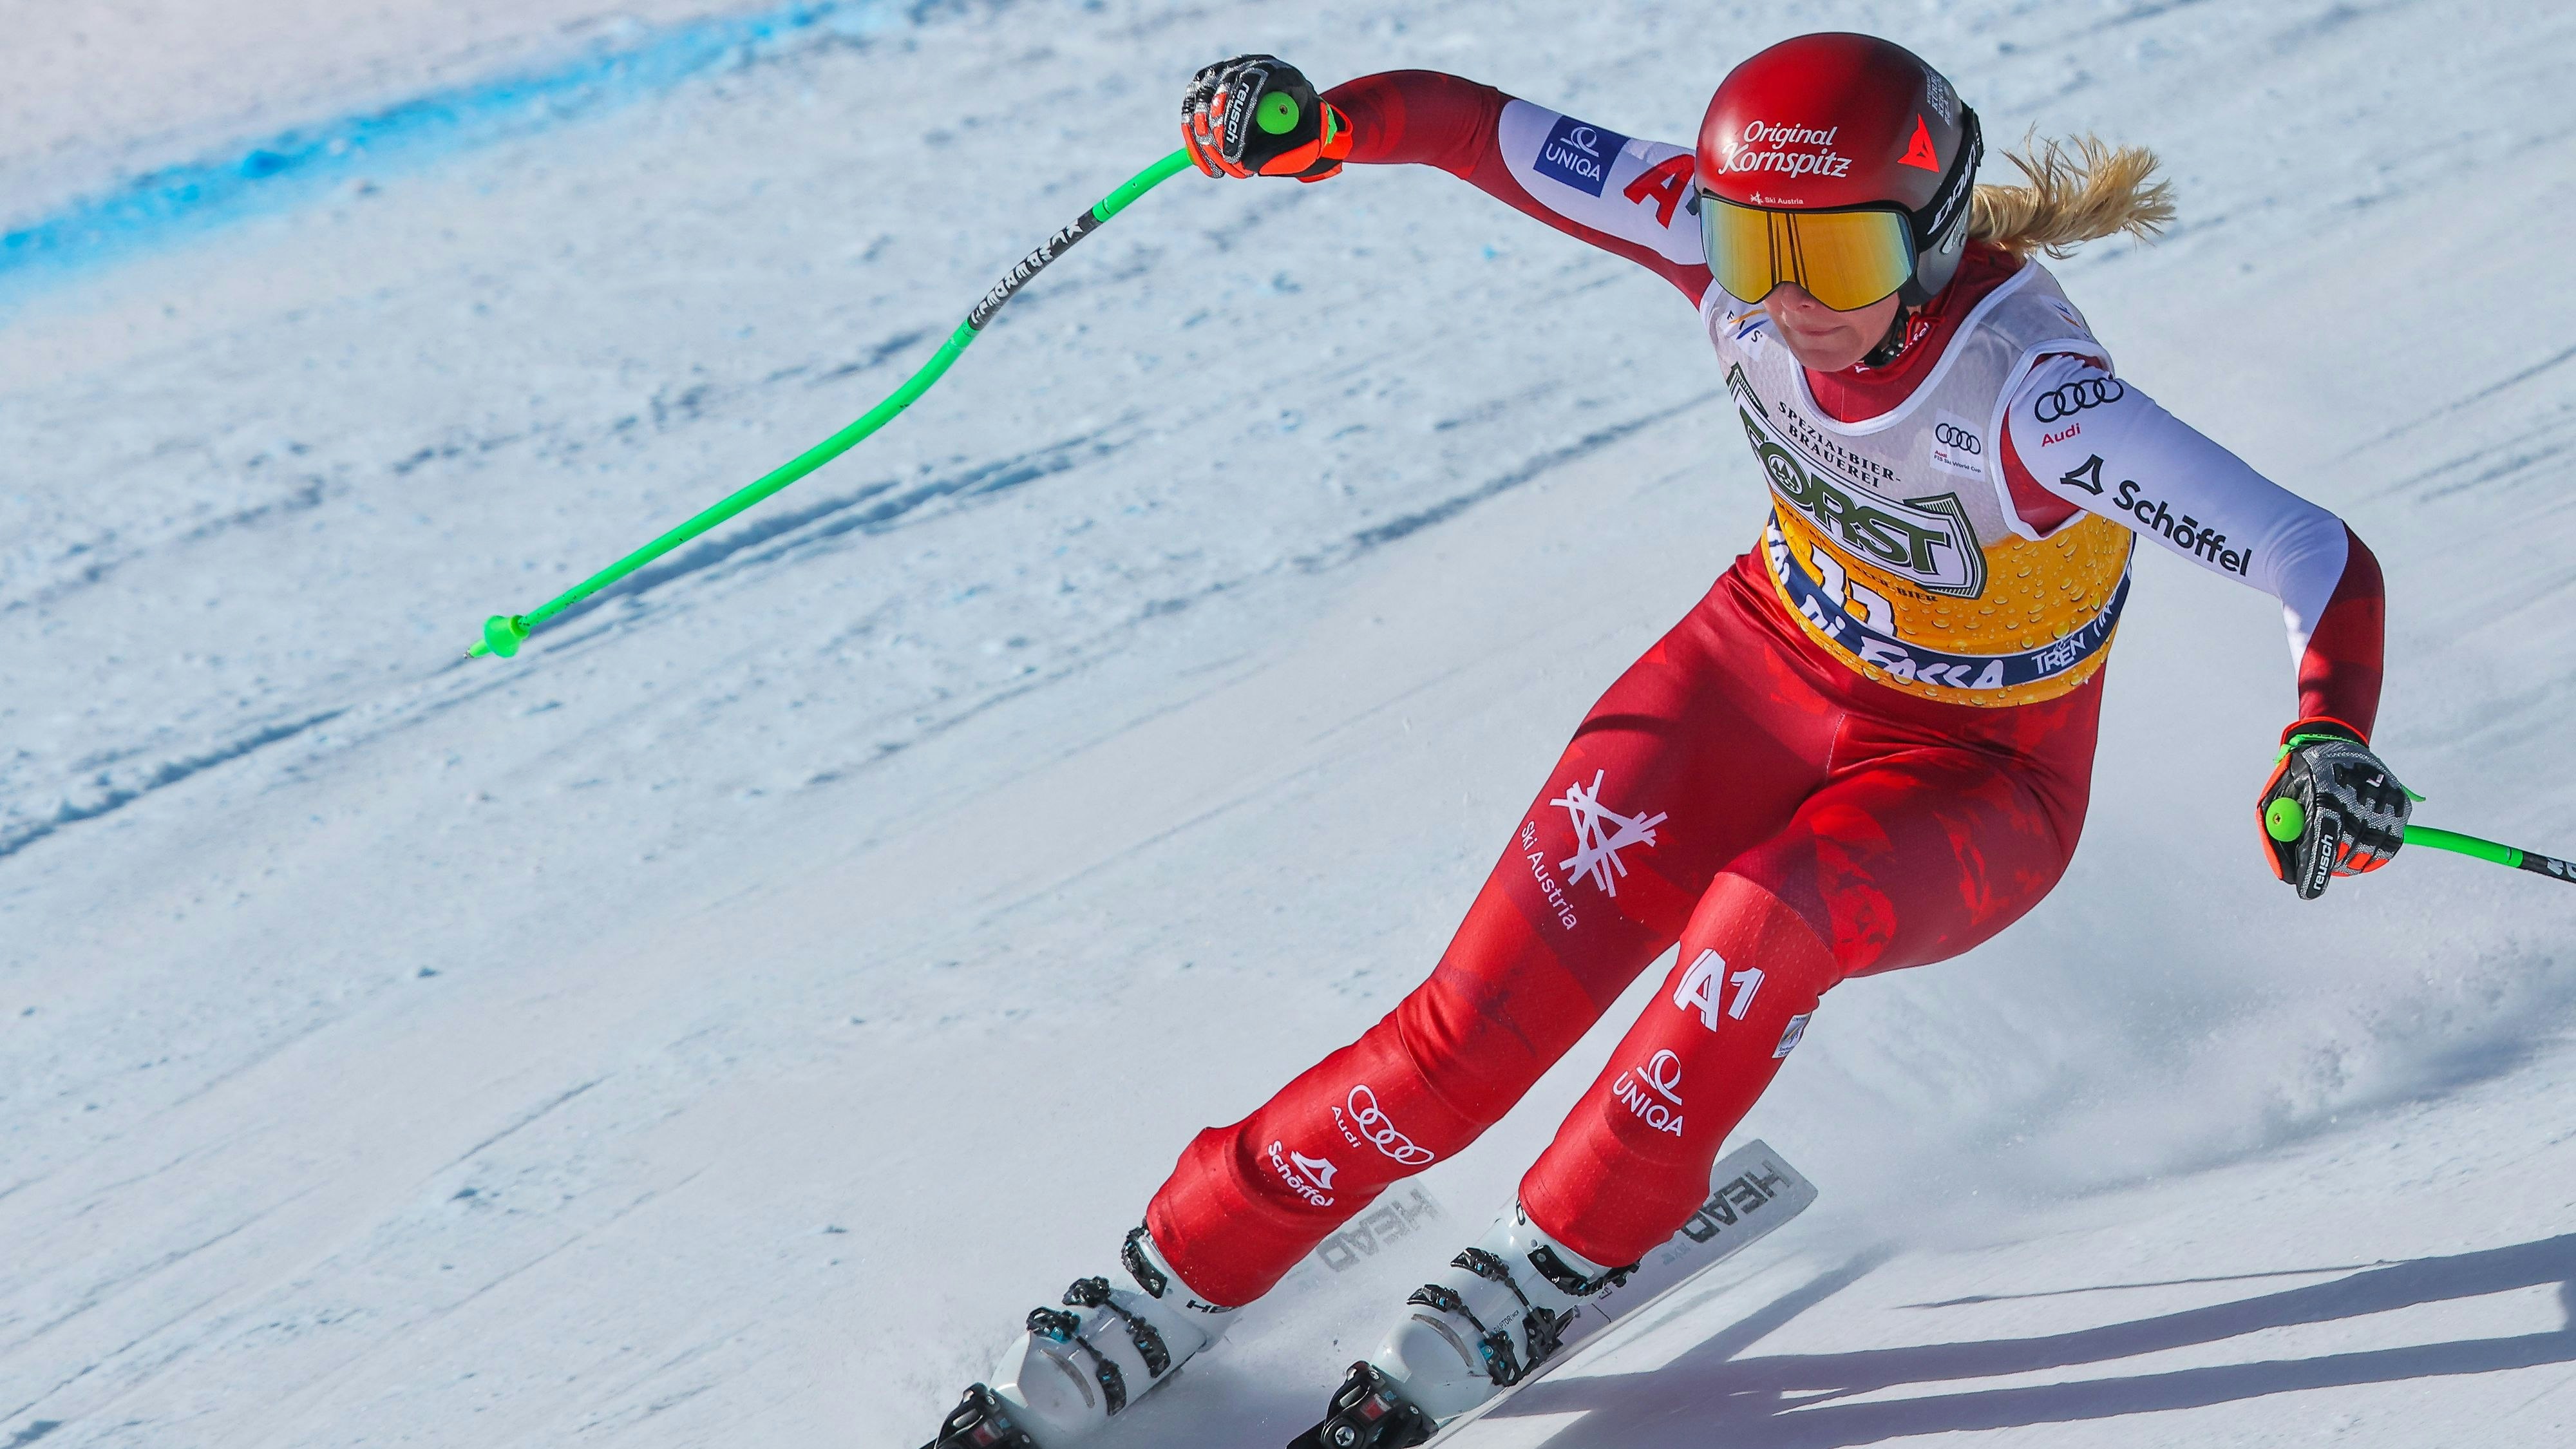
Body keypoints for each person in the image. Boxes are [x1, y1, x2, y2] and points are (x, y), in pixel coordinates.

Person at [919, 32, 2414, 1449]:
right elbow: (1463, 127)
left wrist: (2321, 738)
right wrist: (1315, 128)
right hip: (1753, 673)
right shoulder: (1706, 237)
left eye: (1833, 257)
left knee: (1765, 914)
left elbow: (2310, 555)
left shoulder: (2034, 401)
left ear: (1935, 236)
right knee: (1460, 1039)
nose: (1786, 303)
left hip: (1978, 775)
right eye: (1753, 251)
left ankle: (1563, 1243)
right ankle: (1166, 1272)